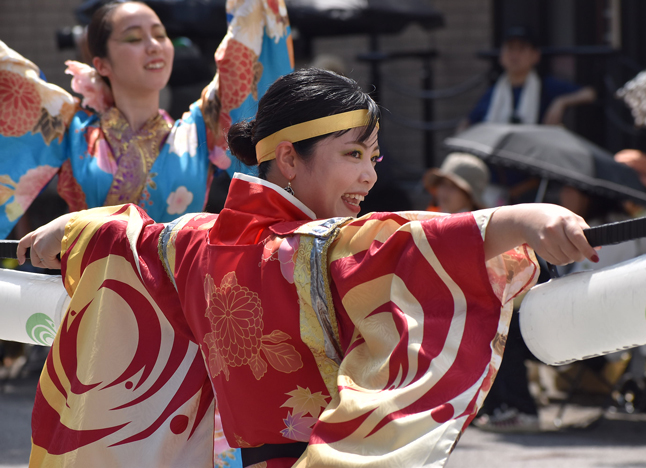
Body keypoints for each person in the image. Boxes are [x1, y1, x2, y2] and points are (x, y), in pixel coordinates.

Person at [17, 68, 598, 467]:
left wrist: (67, 233)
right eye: (352, 155)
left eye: (372, 158)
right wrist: (523, 219)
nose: (370, 176)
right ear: (289, 158)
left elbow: (126, 236)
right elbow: (406, 245)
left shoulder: (193, 243)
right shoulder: (311, 250)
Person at [0, 0, 293, 240]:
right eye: (134, 38)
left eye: (160, 35)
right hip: (91, 291)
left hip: (176, 296)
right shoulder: (70, 129)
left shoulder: (200, 128)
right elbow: (9, 78)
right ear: (101, 64)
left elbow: (248, 43)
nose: (153, 45)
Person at [456, 25, 596, 132]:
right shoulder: (494, 92)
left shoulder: (546, 86)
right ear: (501, 56)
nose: (514, 55)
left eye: (521, 49)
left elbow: (590, 93)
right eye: (510, 48)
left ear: (535, 55)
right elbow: (469, 122)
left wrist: (561, 102)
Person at [422, 152, 491, 213]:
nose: (444, 191)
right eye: (442, 183)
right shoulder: (430, 219)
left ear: (469, 197)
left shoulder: (478, 227)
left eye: (453, 186)